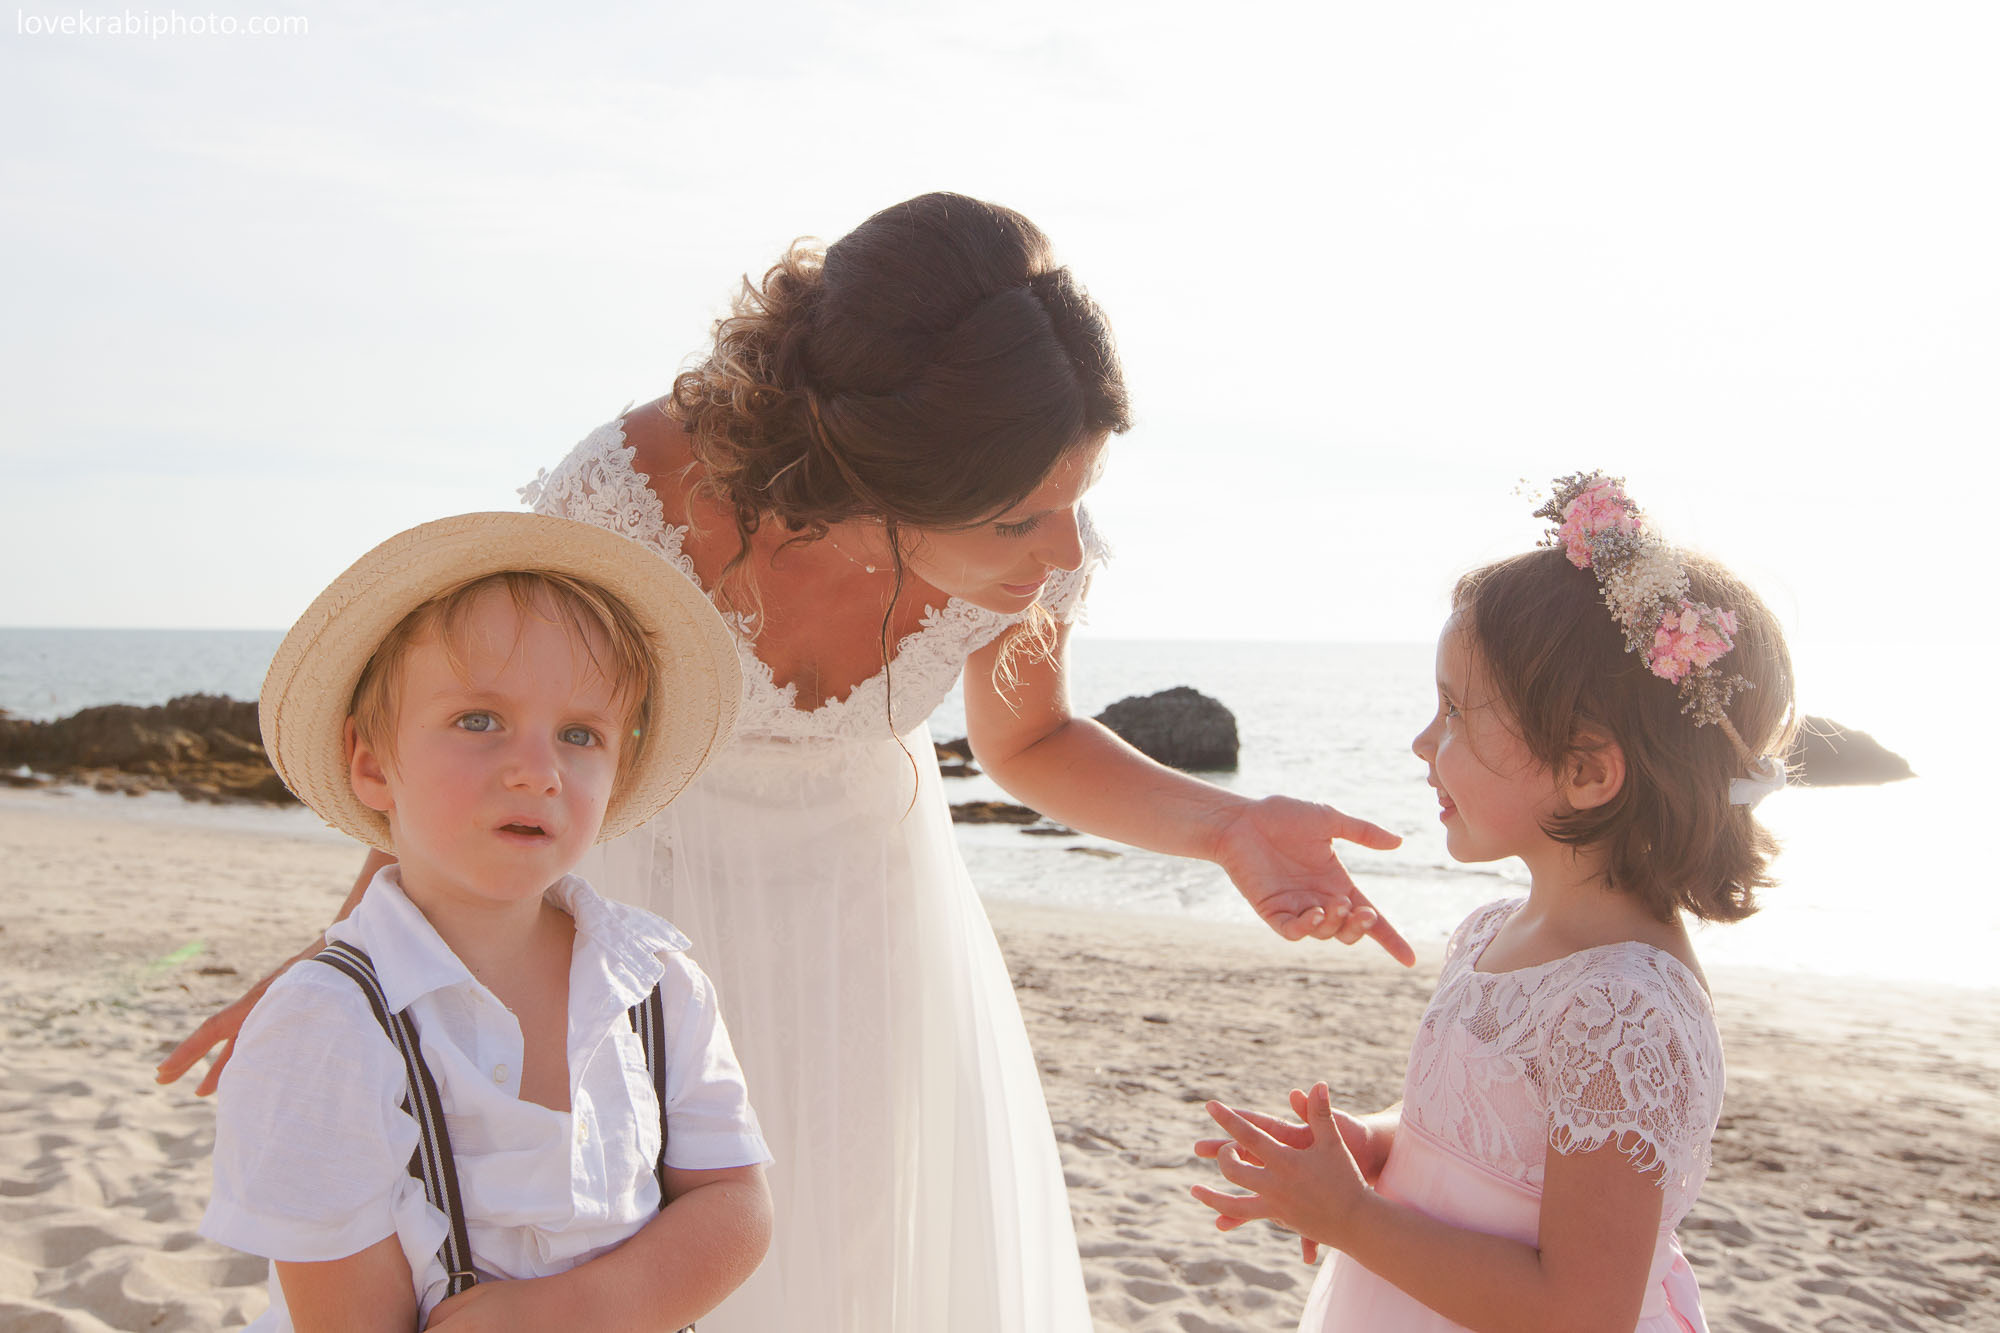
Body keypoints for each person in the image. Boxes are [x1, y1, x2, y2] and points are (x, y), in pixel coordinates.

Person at [166, 193, 1410, 1332]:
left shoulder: (1030, 535)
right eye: (1015, 519)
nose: (1058, 553)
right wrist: (350, 961)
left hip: (868, 930)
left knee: (861, 1260)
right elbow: (496, 740)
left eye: (1071, 499)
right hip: (640, 909)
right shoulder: (632, 491)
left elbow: (1028, 740)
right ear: (878, 475)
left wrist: (1227, 826)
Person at [1191, 472, 1797, 1332]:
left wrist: (1353, 1220)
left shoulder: (1624, 1011)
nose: (1421, 742)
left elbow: (1585, 1311)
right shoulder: (1494, 930)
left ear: (1588, 770)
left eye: (1454, 714)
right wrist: (1370, 1147)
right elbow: (1486, 1137)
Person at [200, 512, 772, 1331]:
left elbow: (733, 1199)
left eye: (580, 734)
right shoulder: (325, 1024)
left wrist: (569, 1311)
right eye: (479, 720)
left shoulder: (655, 978)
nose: (537, 770)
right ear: (370, 763)